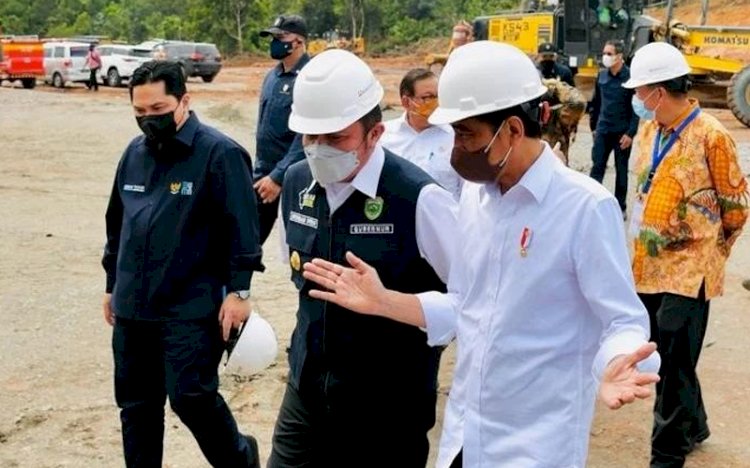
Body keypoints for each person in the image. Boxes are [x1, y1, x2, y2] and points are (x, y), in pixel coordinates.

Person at [299, 41, 662, 468]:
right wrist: (383, 301)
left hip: (535, 444)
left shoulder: (584, 207)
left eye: (466, 133)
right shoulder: (475, 199)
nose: (455, 147)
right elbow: (465, 306)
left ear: (511, 129)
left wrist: (618, 361)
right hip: (465, 436)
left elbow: (621, 320)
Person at [267, 49, 459, 467]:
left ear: (375, 134)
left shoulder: (420, 199)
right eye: (309, 137)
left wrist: (386, 302)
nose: (318, 150)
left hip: (388, 407)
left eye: (335, 138)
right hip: (307, 392)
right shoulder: (299, 182)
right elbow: (294, 268)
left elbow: (472, 305)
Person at [102, 61, 264, 468]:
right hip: (133, 306)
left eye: (158, 109)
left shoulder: (219, 153)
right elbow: (116, 223)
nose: (148, 120)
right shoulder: (133, 154)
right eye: (140, 112)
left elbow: (243, 227)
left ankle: (241, 459)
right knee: (136, 406)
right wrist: (111, 284)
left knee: (191, 397)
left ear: (184, 101)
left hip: (189, 305)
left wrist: (240, 291)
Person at [623, 42, 749, 468]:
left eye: (641, 91)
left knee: (672, 368)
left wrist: (711, 250)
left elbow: (736, 207)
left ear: (660, 91)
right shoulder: (649, 130)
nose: (637, 99)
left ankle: (667, 453)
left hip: (689, 269)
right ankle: (694, 426)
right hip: (647, 265)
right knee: (666, 354)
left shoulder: (712, 135)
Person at [254, 15, 310, 244]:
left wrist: (278, 177)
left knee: (300, 244)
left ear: (298, 41)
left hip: (296, 176)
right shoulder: (272, 76)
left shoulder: (309, 77)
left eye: (280, 37)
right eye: (272, 37)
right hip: (263, 174)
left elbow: (306, 134)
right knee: (246, 241)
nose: (274, 42)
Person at [381, 68, 463, 200]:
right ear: (406, 102)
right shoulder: (384, 137)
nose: (436, 103)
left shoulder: (455, 137)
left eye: (438, 96)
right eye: (428, 97)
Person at [589, 39, 639, 219]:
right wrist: (593, 127)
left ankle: (620, 207)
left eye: (609, 54)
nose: (605, 57)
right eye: (604, 53)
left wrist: (631, 133)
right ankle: (592, 203)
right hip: (603, 130)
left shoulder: (630, 78)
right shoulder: (601, 76)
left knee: (621, 170)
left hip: (622, 133)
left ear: (619, 56)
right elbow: (596, 103)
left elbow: (636, 108)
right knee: (597, 168)